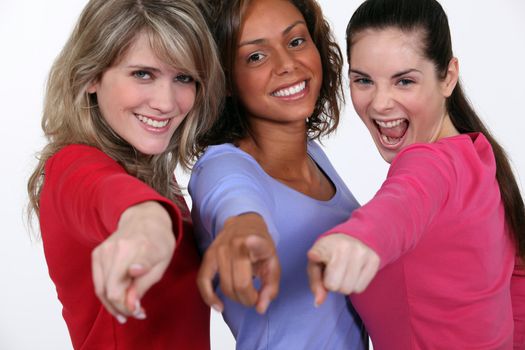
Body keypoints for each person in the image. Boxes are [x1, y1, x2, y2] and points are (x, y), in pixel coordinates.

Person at [307, 0, 525, 349]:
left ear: (448, 77)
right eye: (363, 80)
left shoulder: (431, 164)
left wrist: (361, 239)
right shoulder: (479, 157)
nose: (380, 103)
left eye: (404, 81)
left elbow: (404, 203)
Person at [26, 0, 224, 348]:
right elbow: (110, 195)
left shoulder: (157, 178)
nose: (166, 102)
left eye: (183, 77)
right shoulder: (71, 166)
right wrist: (146, 225)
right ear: (90, 76)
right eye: (142, 74)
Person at [189, 0, 366, 349]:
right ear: (224, 79)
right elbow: (233, 199)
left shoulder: (313, 154)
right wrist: (244, 230)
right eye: (256, 56)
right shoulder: (222, 165)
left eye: (296, 41)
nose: (287, 64)